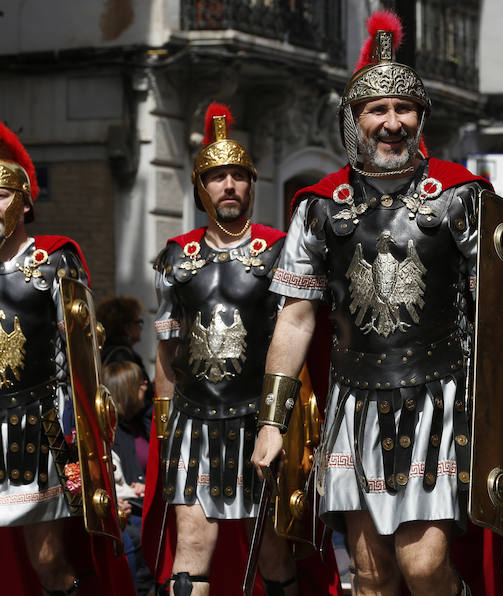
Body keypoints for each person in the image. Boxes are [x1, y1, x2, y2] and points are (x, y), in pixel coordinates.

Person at [251, 10, 494, 595]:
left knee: (425, 566)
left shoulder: (461, 198)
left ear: (420, 118)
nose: (391, 123)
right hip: (353, 405)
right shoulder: (319, 207)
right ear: (354, 120)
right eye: (376, 111)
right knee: (370, 574)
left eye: (403, 109)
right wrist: (271, 421)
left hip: (439, 399)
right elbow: (297, 317)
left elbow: (502, 309)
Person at [147, 101, 295, 596]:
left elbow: (298, 341)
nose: (228, 185)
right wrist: (164, 425)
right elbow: (167, 352)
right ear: (200, 188)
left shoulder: (279, 250)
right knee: (189, 558)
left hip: (263, 418)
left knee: (275, 555)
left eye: (237, 176)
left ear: (252, 185)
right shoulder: (175, 257)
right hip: (194, 421)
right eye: (216, 177)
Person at [0, 122, 92, 594]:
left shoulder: (56, 263)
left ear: (25, 203)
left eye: (0, 196)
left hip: (40, 424)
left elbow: (82, 361)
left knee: (49, 561)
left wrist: (85, 438)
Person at [103, 361, 154, 595]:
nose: (146, 385)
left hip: (144, 501)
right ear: (127, 390)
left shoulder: (140, 422)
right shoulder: (114, 434)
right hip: (133, 509)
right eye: (139, 382)